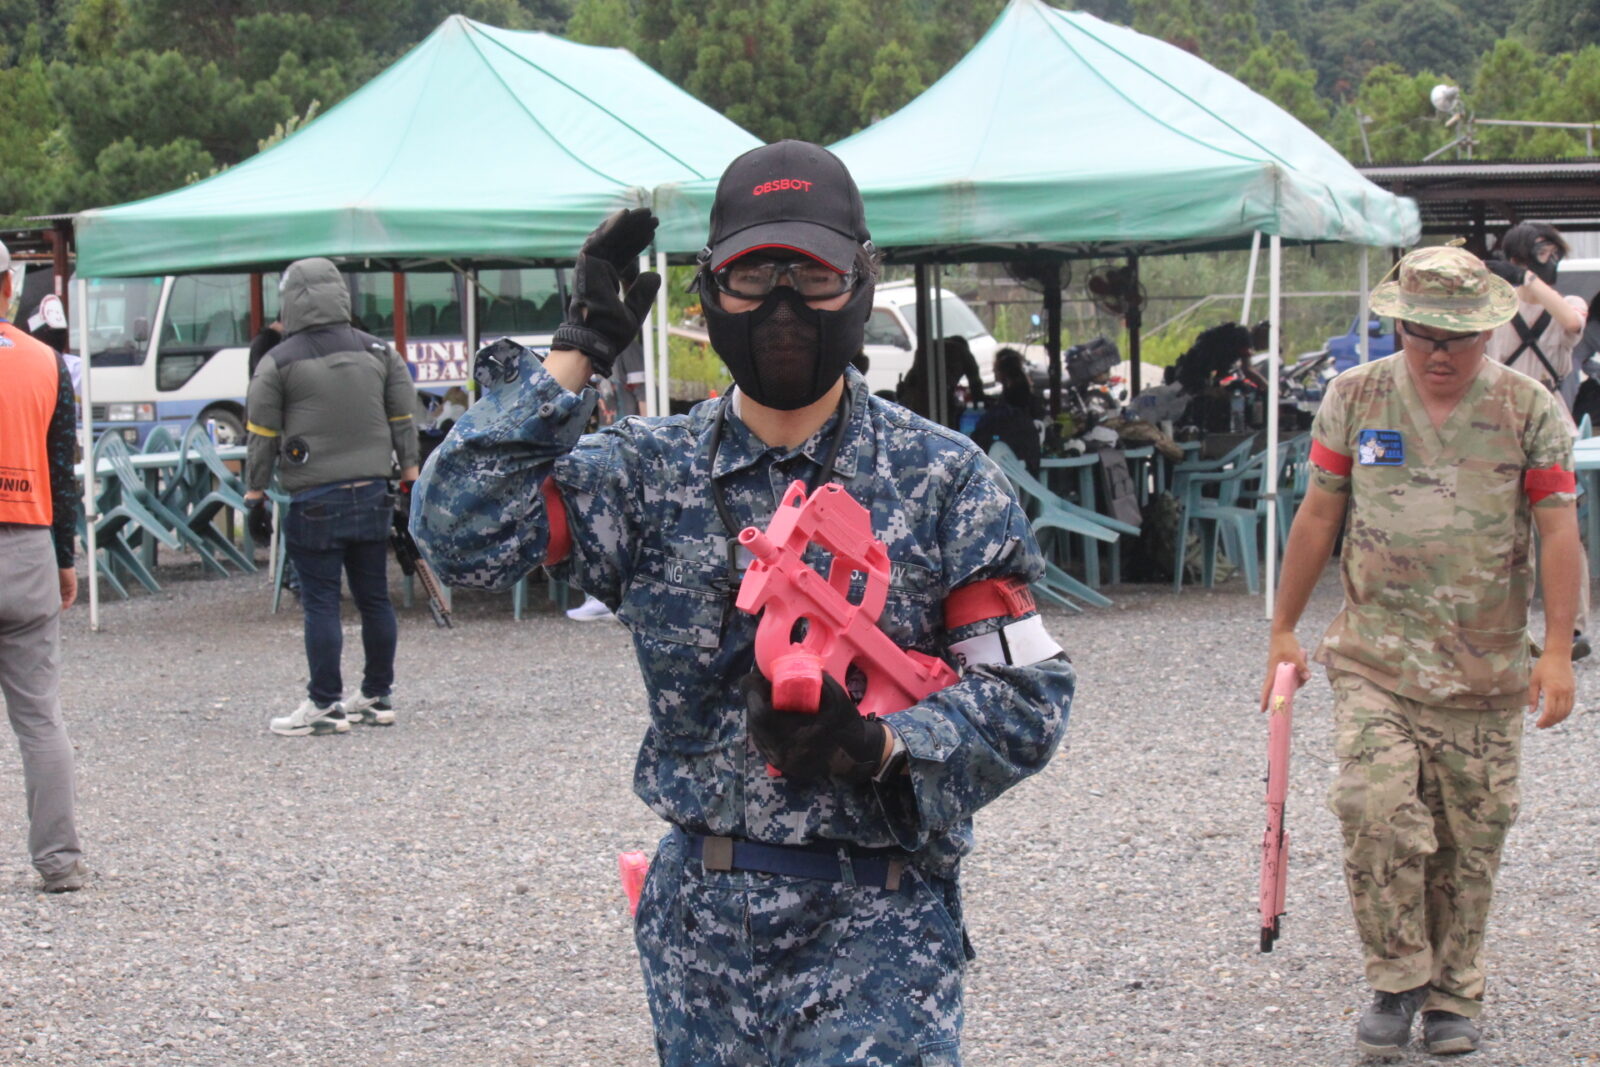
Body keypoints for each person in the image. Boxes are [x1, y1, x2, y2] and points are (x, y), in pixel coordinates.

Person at [413, 140, 1074, 1064]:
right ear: (708, 290)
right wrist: (576, 353)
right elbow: (457, 530)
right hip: (701, 943)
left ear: (862, 278)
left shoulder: (944, 480)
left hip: (882, 938)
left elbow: (1030, 697)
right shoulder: (645, 474)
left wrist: (880, 745)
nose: (783, 305)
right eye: (755, 276)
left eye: (813, 275)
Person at [1263, 245, 1579, 1059]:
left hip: (1485, 670)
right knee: (1373, 809)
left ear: (1489, 330)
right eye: (1421, 333)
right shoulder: (1355, 397)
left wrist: (1557, 650)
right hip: (1376, 659)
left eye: (1457, 336)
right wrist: (1284, 627)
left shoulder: (1529, 408)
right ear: (1397, 325)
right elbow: (1319, 515)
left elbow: (1558, 532)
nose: (1439, 352)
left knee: (1469, 839)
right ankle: (1397, 975)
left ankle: (1453, 993)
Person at [243, 258, 421, 737]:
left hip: (315, 497)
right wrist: (409, 479)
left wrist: (255, 493)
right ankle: (377, 695)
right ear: (341, 294)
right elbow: (404, 420)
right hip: (374, 492)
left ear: (290, 299)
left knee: (321, 602)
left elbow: (261, 435)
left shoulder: (277, 361)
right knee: (374, 598)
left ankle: (325, 703)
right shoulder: (380, 352)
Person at [0, 240, 86, 892]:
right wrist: (64, 559)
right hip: (27, 544)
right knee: (39, 717)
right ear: (9, 287)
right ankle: (58, 860)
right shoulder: (47, 362)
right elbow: (63, 473)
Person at [1484, 222, 1588, 396]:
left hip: (1548, 402)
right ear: (1516, 261)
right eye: (1542, 253)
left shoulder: (1570, 303)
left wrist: (1526, 277)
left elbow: (1572, 323)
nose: (1551, 260)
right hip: (1502, 401)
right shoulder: (1495, 307)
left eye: (1554, 253)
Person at [969, 347, 1043, 472]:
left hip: (1015, 459)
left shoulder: (1007, 411)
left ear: (1003, 371)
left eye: (995, 367)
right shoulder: (1021, 397)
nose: (992, 370)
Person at [897, 334, 985, 429]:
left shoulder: (929, 347)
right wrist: (981, 400)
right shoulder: (963, 352)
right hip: (941, 396)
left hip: (916, 398)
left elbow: (910, 378)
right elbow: (975, 384)